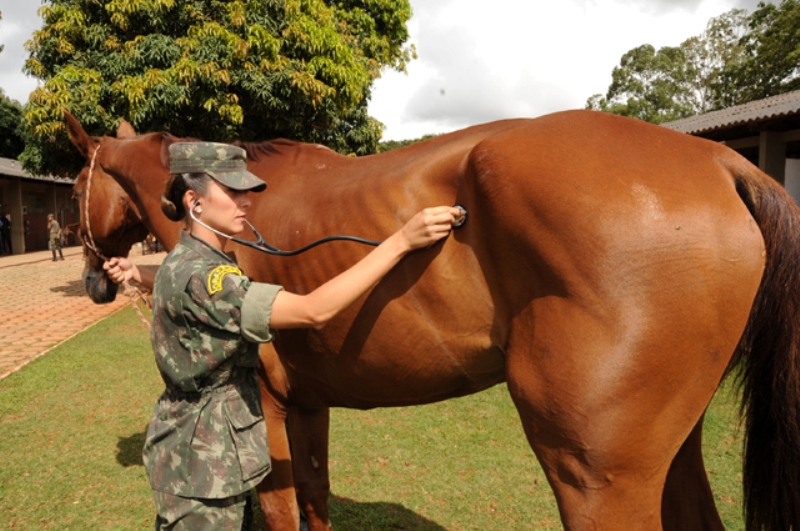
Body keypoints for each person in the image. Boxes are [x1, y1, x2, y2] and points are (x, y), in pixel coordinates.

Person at [103, 142, 463, 531]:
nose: (245, 202)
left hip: (203, 455)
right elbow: (314, 310)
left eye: (246, 191)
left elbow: (190, 290)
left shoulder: (189, 260)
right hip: (202, 469)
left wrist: (139, 274)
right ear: (195, 201)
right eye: (232, 191)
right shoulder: (207, 276)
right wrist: (403, 241)